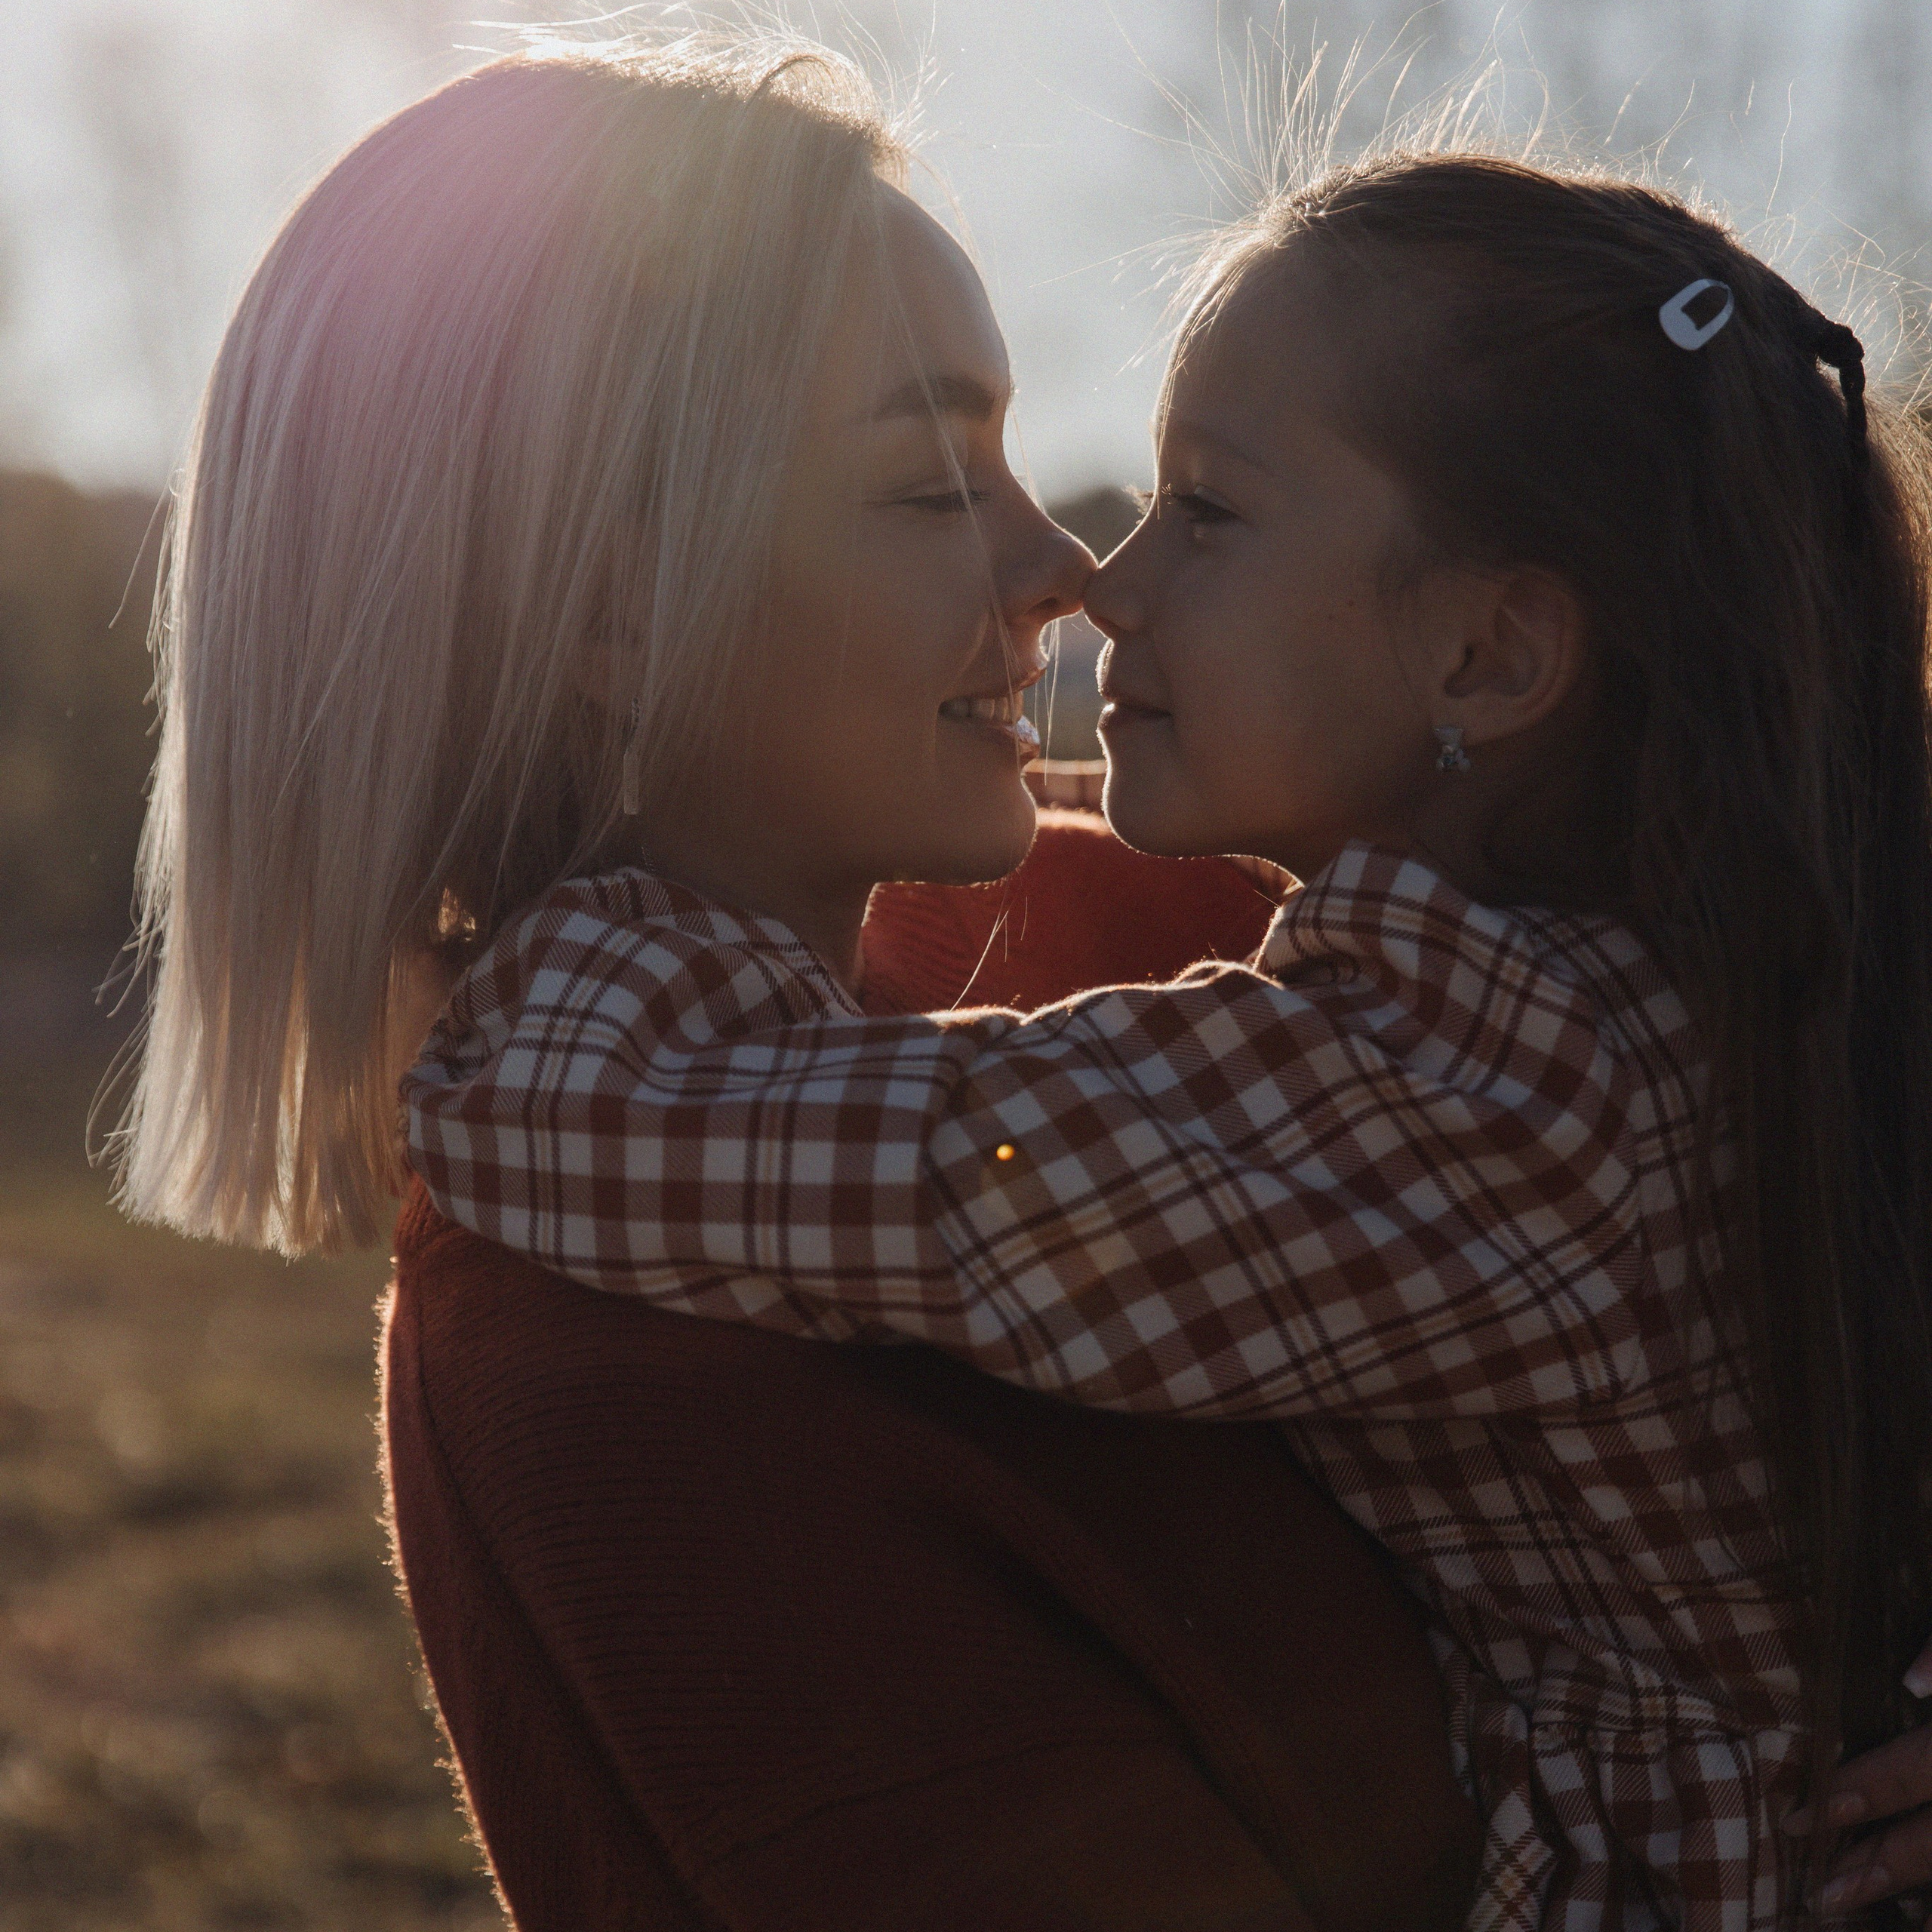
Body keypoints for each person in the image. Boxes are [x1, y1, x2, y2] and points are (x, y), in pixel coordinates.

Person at [405, 152, 1932, 1927]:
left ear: (1489, 652)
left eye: (1203, 511)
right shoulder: (1691, 981)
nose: (1098, 583)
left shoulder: (1488, 1084)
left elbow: (937, 1177)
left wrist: (516, 990)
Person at [115, 32, 1481, 1932]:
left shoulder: (1173, 922)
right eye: (928, 487)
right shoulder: (614, 1388)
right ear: (606, 602)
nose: (1061, 568)